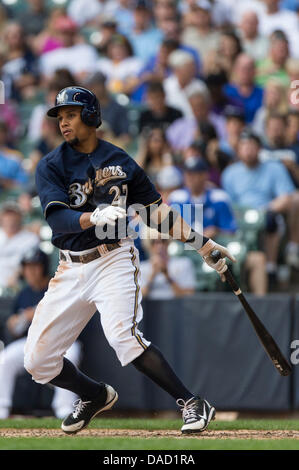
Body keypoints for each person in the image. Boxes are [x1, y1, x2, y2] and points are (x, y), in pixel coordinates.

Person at [24, 85, 235, 435]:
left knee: (123, 337)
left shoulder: (121, 161)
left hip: (113, 258)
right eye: (60, 117)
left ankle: (192, 402)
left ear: (91, 116)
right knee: (37, 362)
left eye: (71, 115)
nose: (63, 123)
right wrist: (93, 217)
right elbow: (56, 219)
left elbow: (156, 214)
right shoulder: (51, 165)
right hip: (70, 266)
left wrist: (201, 244)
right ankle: (94, 395)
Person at [0, 248, 81, 419]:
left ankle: (64, 409)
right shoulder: (23, 293)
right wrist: (15, 322)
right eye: (28, 267)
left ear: (43, 267)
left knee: (71, 355)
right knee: (5, 358)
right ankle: (2, 407)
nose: (31, 271)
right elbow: (14, 328)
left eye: (35, 266)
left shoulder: (56, 286)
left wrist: (36, 313)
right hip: (31, 341)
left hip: (62, 340)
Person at [221, 130, 298, 280]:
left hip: (267, 210)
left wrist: (264, 210)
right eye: (244, 146)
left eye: (252, 146)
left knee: (271, 220)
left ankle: (271, 267)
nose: (248, 150)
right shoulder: (230, 173)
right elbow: (227, 202)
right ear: (238, 150)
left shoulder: (273, 167)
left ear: (259, 149)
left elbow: (286, 197)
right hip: (239, 214)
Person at [140, 230, 196, 299]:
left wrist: (167, 276)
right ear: (149, 245)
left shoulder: (183, 263)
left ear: (168, 242)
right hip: (151, 309)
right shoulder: (142, 267)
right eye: (153, 241)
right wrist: (152, 276)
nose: (159, 246)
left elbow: (189, 294)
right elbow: (139, 298)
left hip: (176, 308)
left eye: (163, 241)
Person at [0, 202, 40, 289]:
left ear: (20, 217)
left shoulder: (31, 238)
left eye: (13, 215)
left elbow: (31, 266)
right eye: (7, 215)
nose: (10, 219)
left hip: (18, 286)